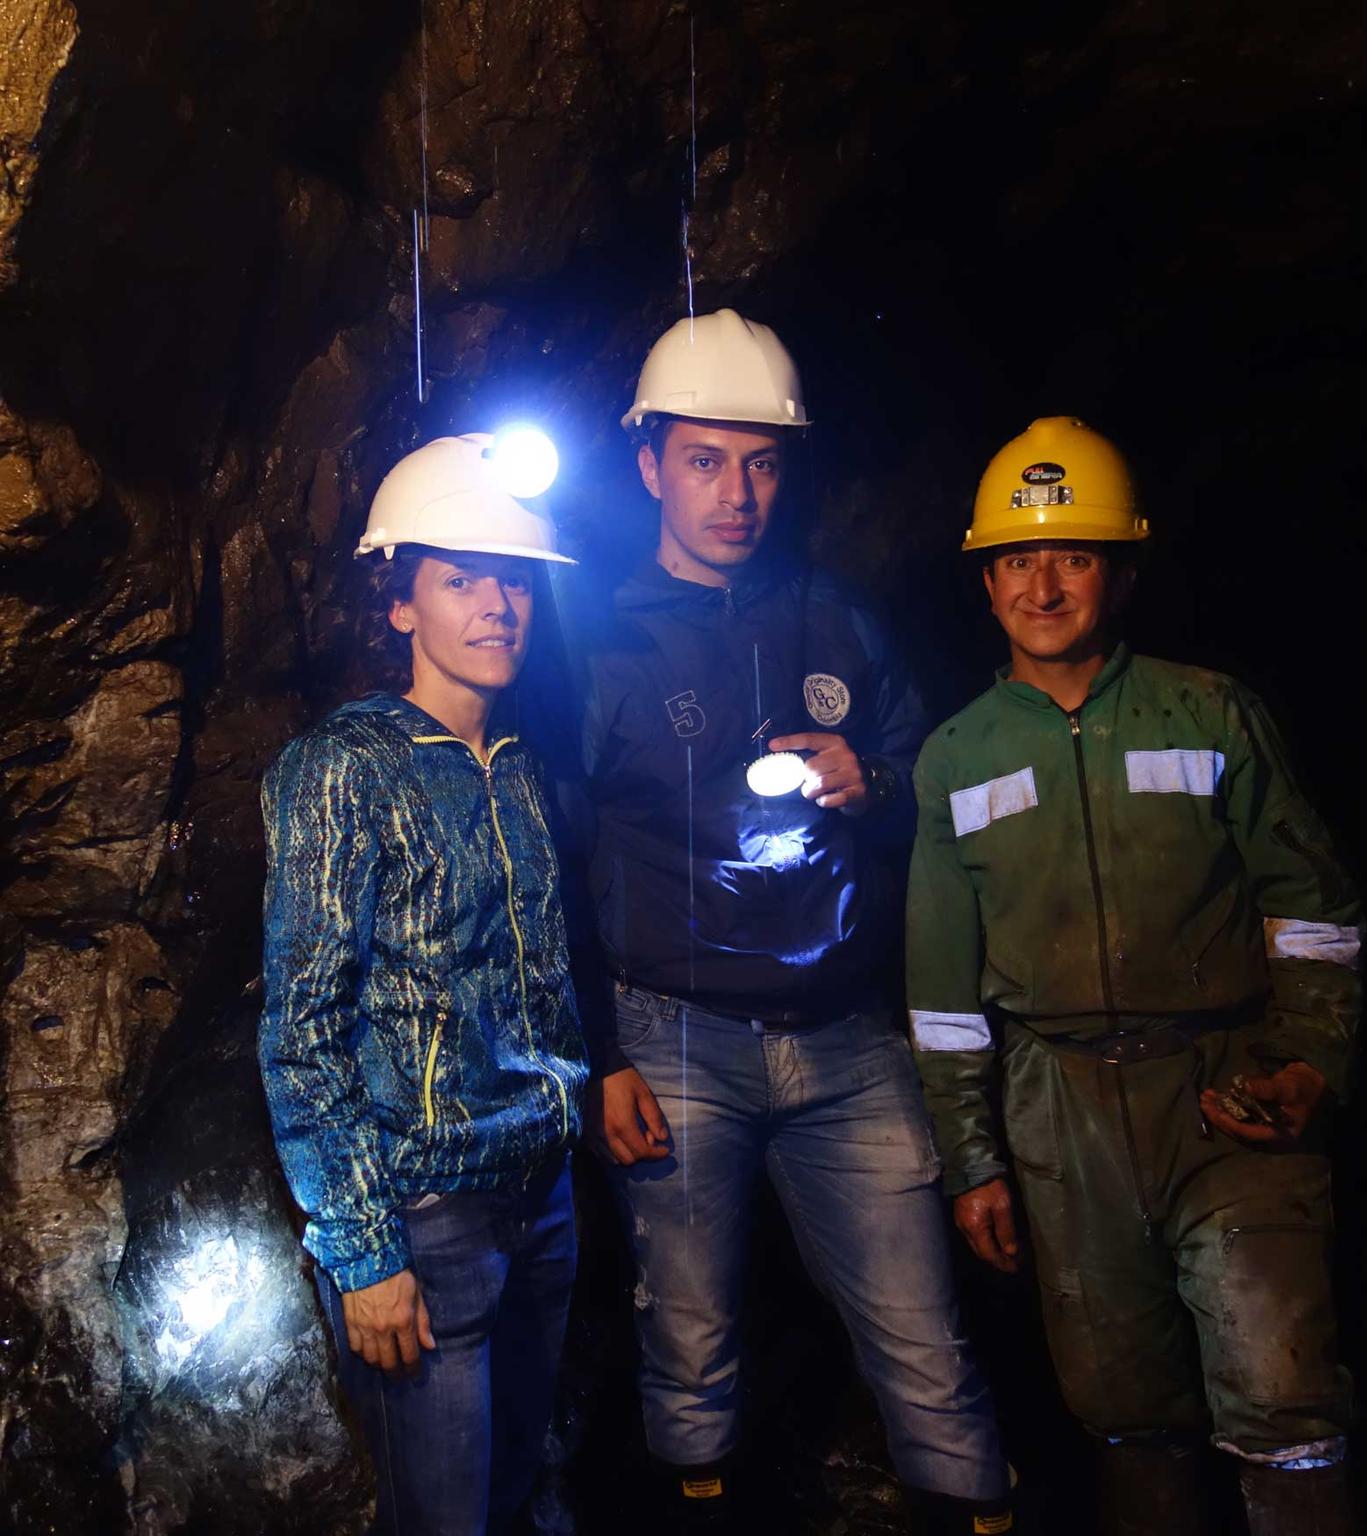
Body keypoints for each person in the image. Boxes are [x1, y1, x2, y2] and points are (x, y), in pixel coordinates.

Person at [561, 309, 1013, 1534]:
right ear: (651, 464)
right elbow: (552, 857)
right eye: (705, 460)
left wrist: (877, 784)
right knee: (692, 1343)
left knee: (928, 1340)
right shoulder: (593, 640)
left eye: (760, 462)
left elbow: (936, 782)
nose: (736, 493)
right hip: (674, 1035)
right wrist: (600, 1052)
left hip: (847, 1040)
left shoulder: (842, 617)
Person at [906, 417, 1361, 1536]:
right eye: (1018, 558)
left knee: (1280, 1382)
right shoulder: (957, 756)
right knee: (1124, 1407)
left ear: (1121, 571)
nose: (1044, 584)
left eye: (1073, 555)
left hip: (1225, 1094)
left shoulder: (1209, 712)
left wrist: (1306, 1058)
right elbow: (944, 996)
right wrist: (972, 1162)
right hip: (1060, 1116)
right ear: (986, 579)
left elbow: (1312, 908)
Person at [259, 434, 589, 1536]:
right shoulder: (344, 768)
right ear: (402, 606)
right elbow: (302, 1027)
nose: (497, 604)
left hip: (541, 1197)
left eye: (514, 579)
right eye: (460, 580)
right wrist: (363, 1253)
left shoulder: (525, 764)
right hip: (428, 1218)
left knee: (519, 1488)